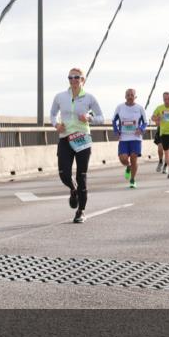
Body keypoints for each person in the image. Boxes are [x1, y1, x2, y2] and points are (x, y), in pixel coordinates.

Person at [51, 68, 103, 223]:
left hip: (82, 139)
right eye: (70, 77)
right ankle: (73, 189)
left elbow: (100, 117)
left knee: (82, 175)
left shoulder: (89, 98)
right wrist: (56, 124)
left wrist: (89, 118)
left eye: (77, 77)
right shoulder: (60, 97)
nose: (73, 80)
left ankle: (81, 211)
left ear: (83, 80)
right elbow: (53, 114)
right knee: (63, 173)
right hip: (65, 138)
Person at [112, 89, 149, 189]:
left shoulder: (140, 108)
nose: (130, 96)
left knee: (134, 158)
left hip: (136, 137)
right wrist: (116, 130)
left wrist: (141, 129)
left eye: (132, 95)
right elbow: (114, 120)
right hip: (123, 137)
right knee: (123, 159)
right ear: (125, 96)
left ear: (135, 96)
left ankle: (132, 180)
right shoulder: (120, 107)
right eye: (128, 95)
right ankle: (128, 166)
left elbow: (146, 122)